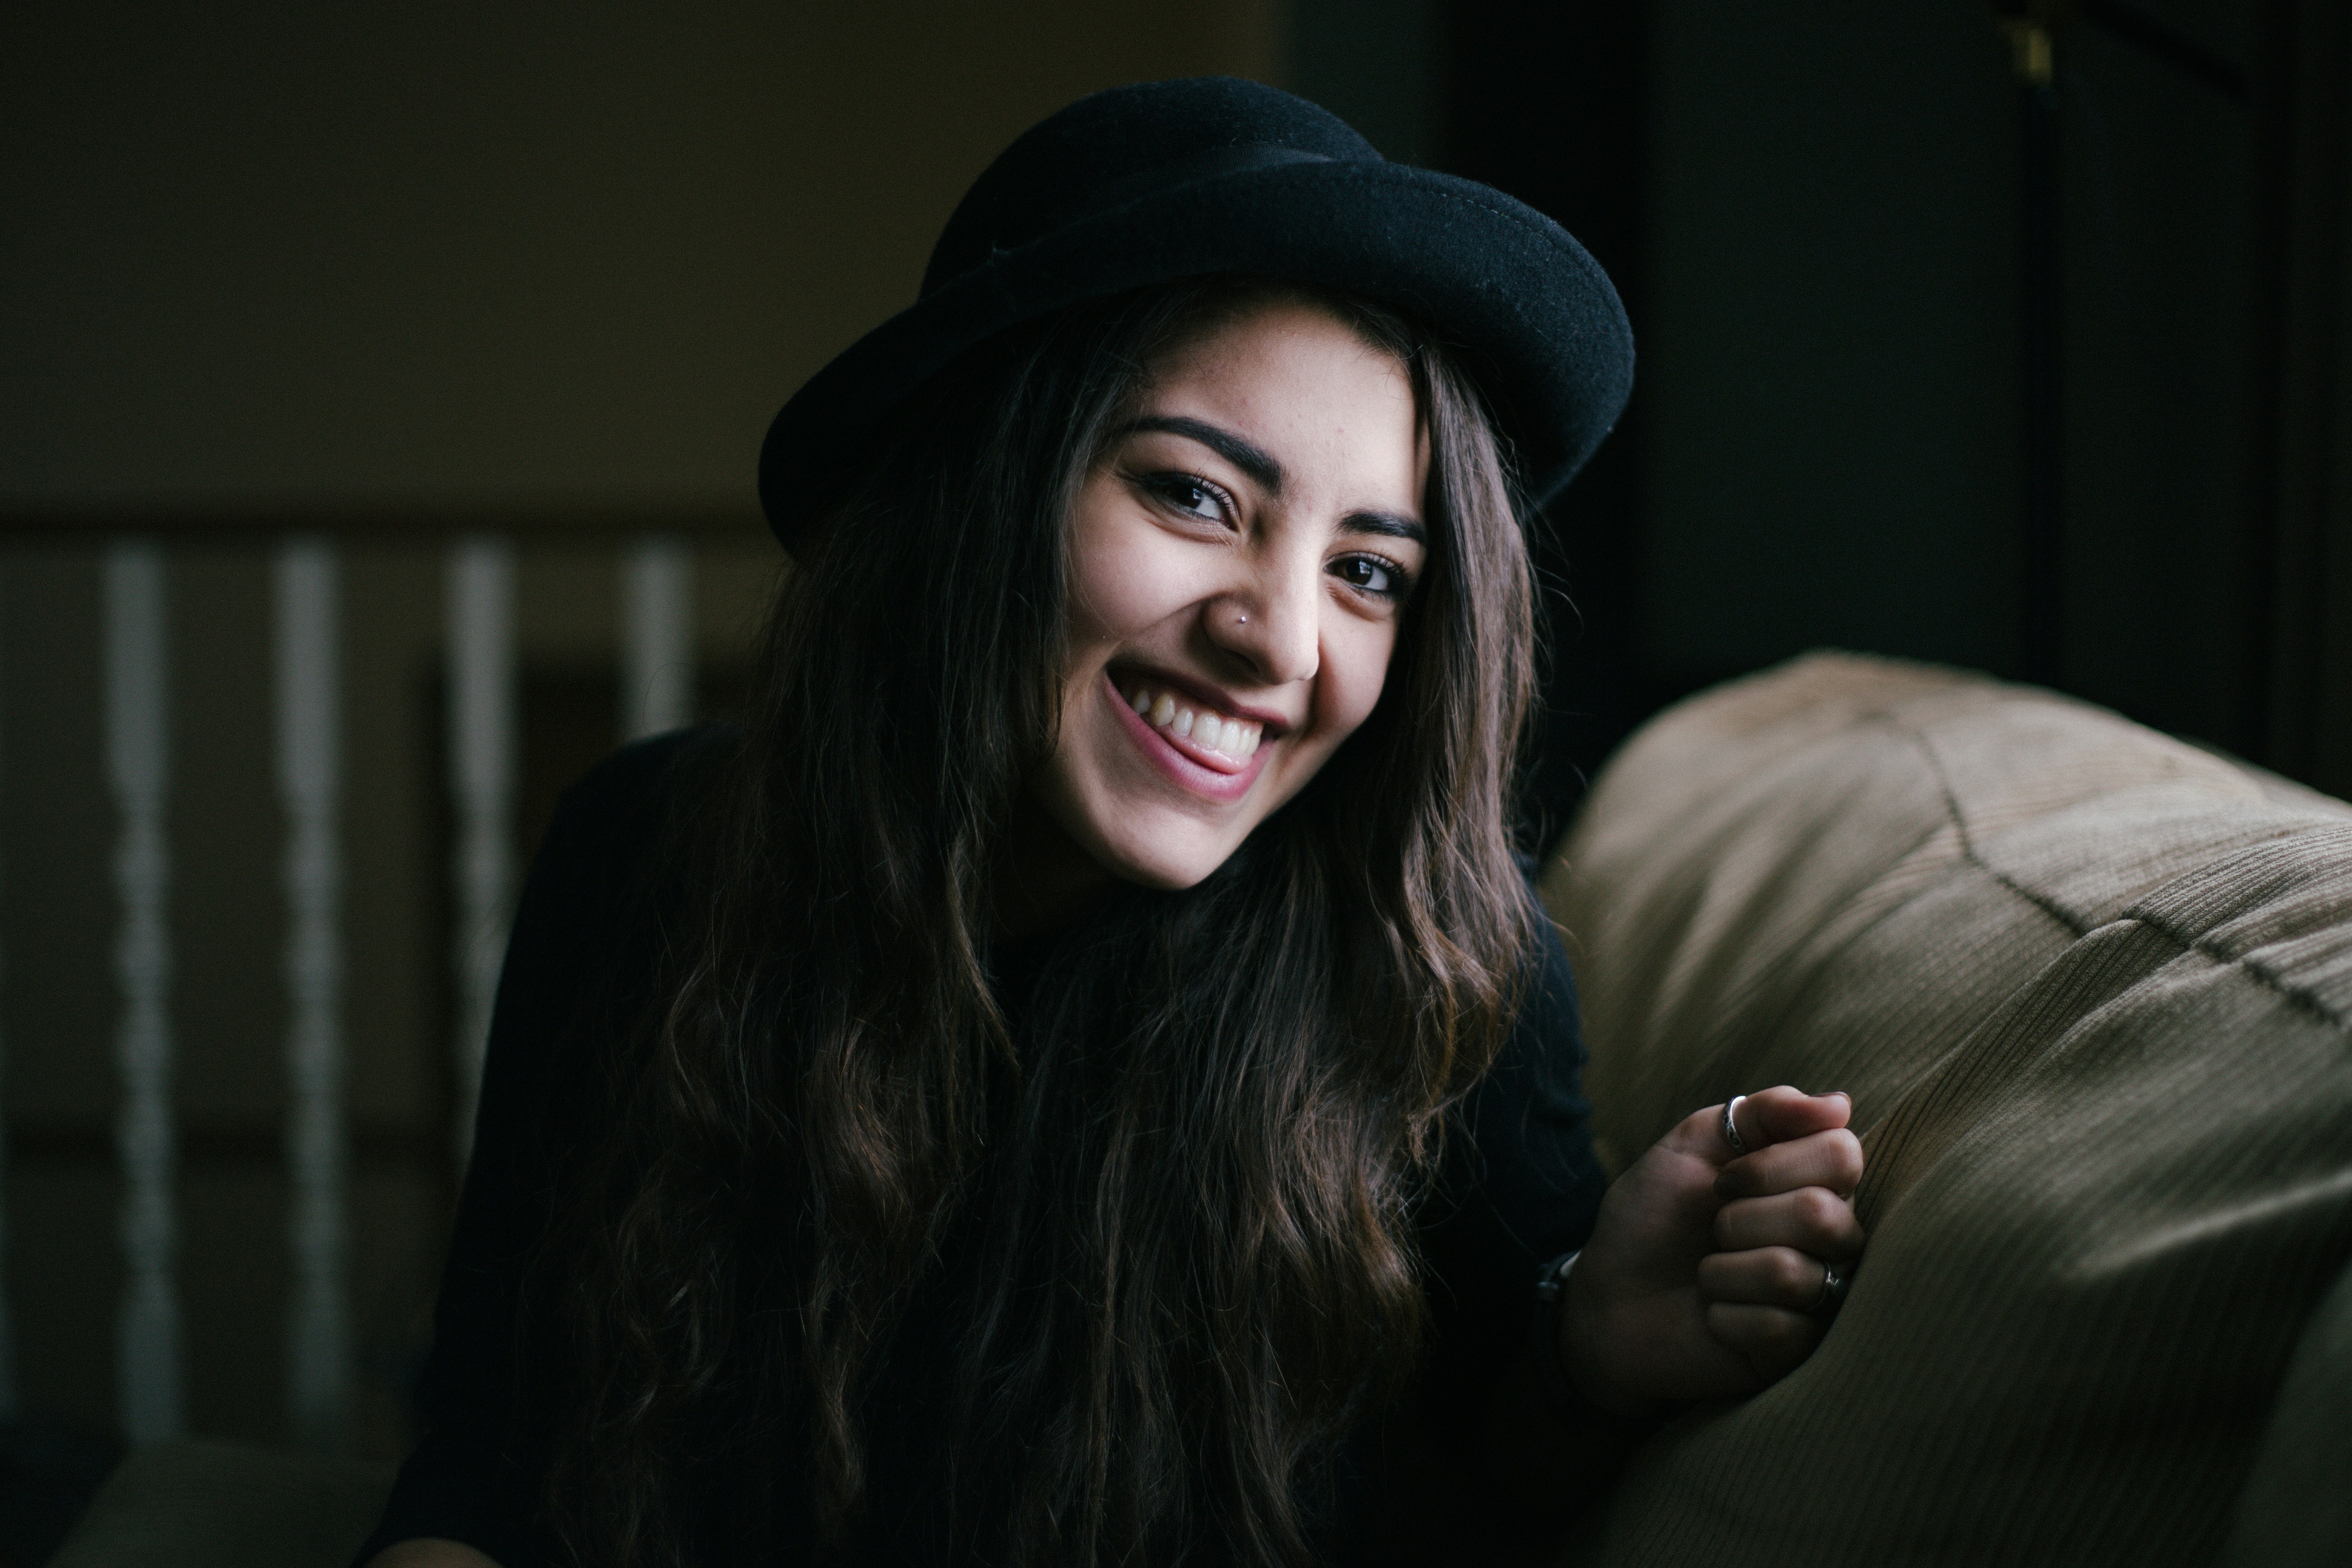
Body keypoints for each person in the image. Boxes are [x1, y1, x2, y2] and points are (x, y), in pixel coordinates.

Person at [358, 78, 1865, 1568]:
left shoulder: (1443, 978)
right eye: (1198, 499)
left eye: (1370, 572)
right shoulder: (649, 859)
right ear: (982, 487)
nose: (1280, 643)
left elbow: (1491, 1475)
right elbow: (499, 1443)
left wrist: (1586, 1346)